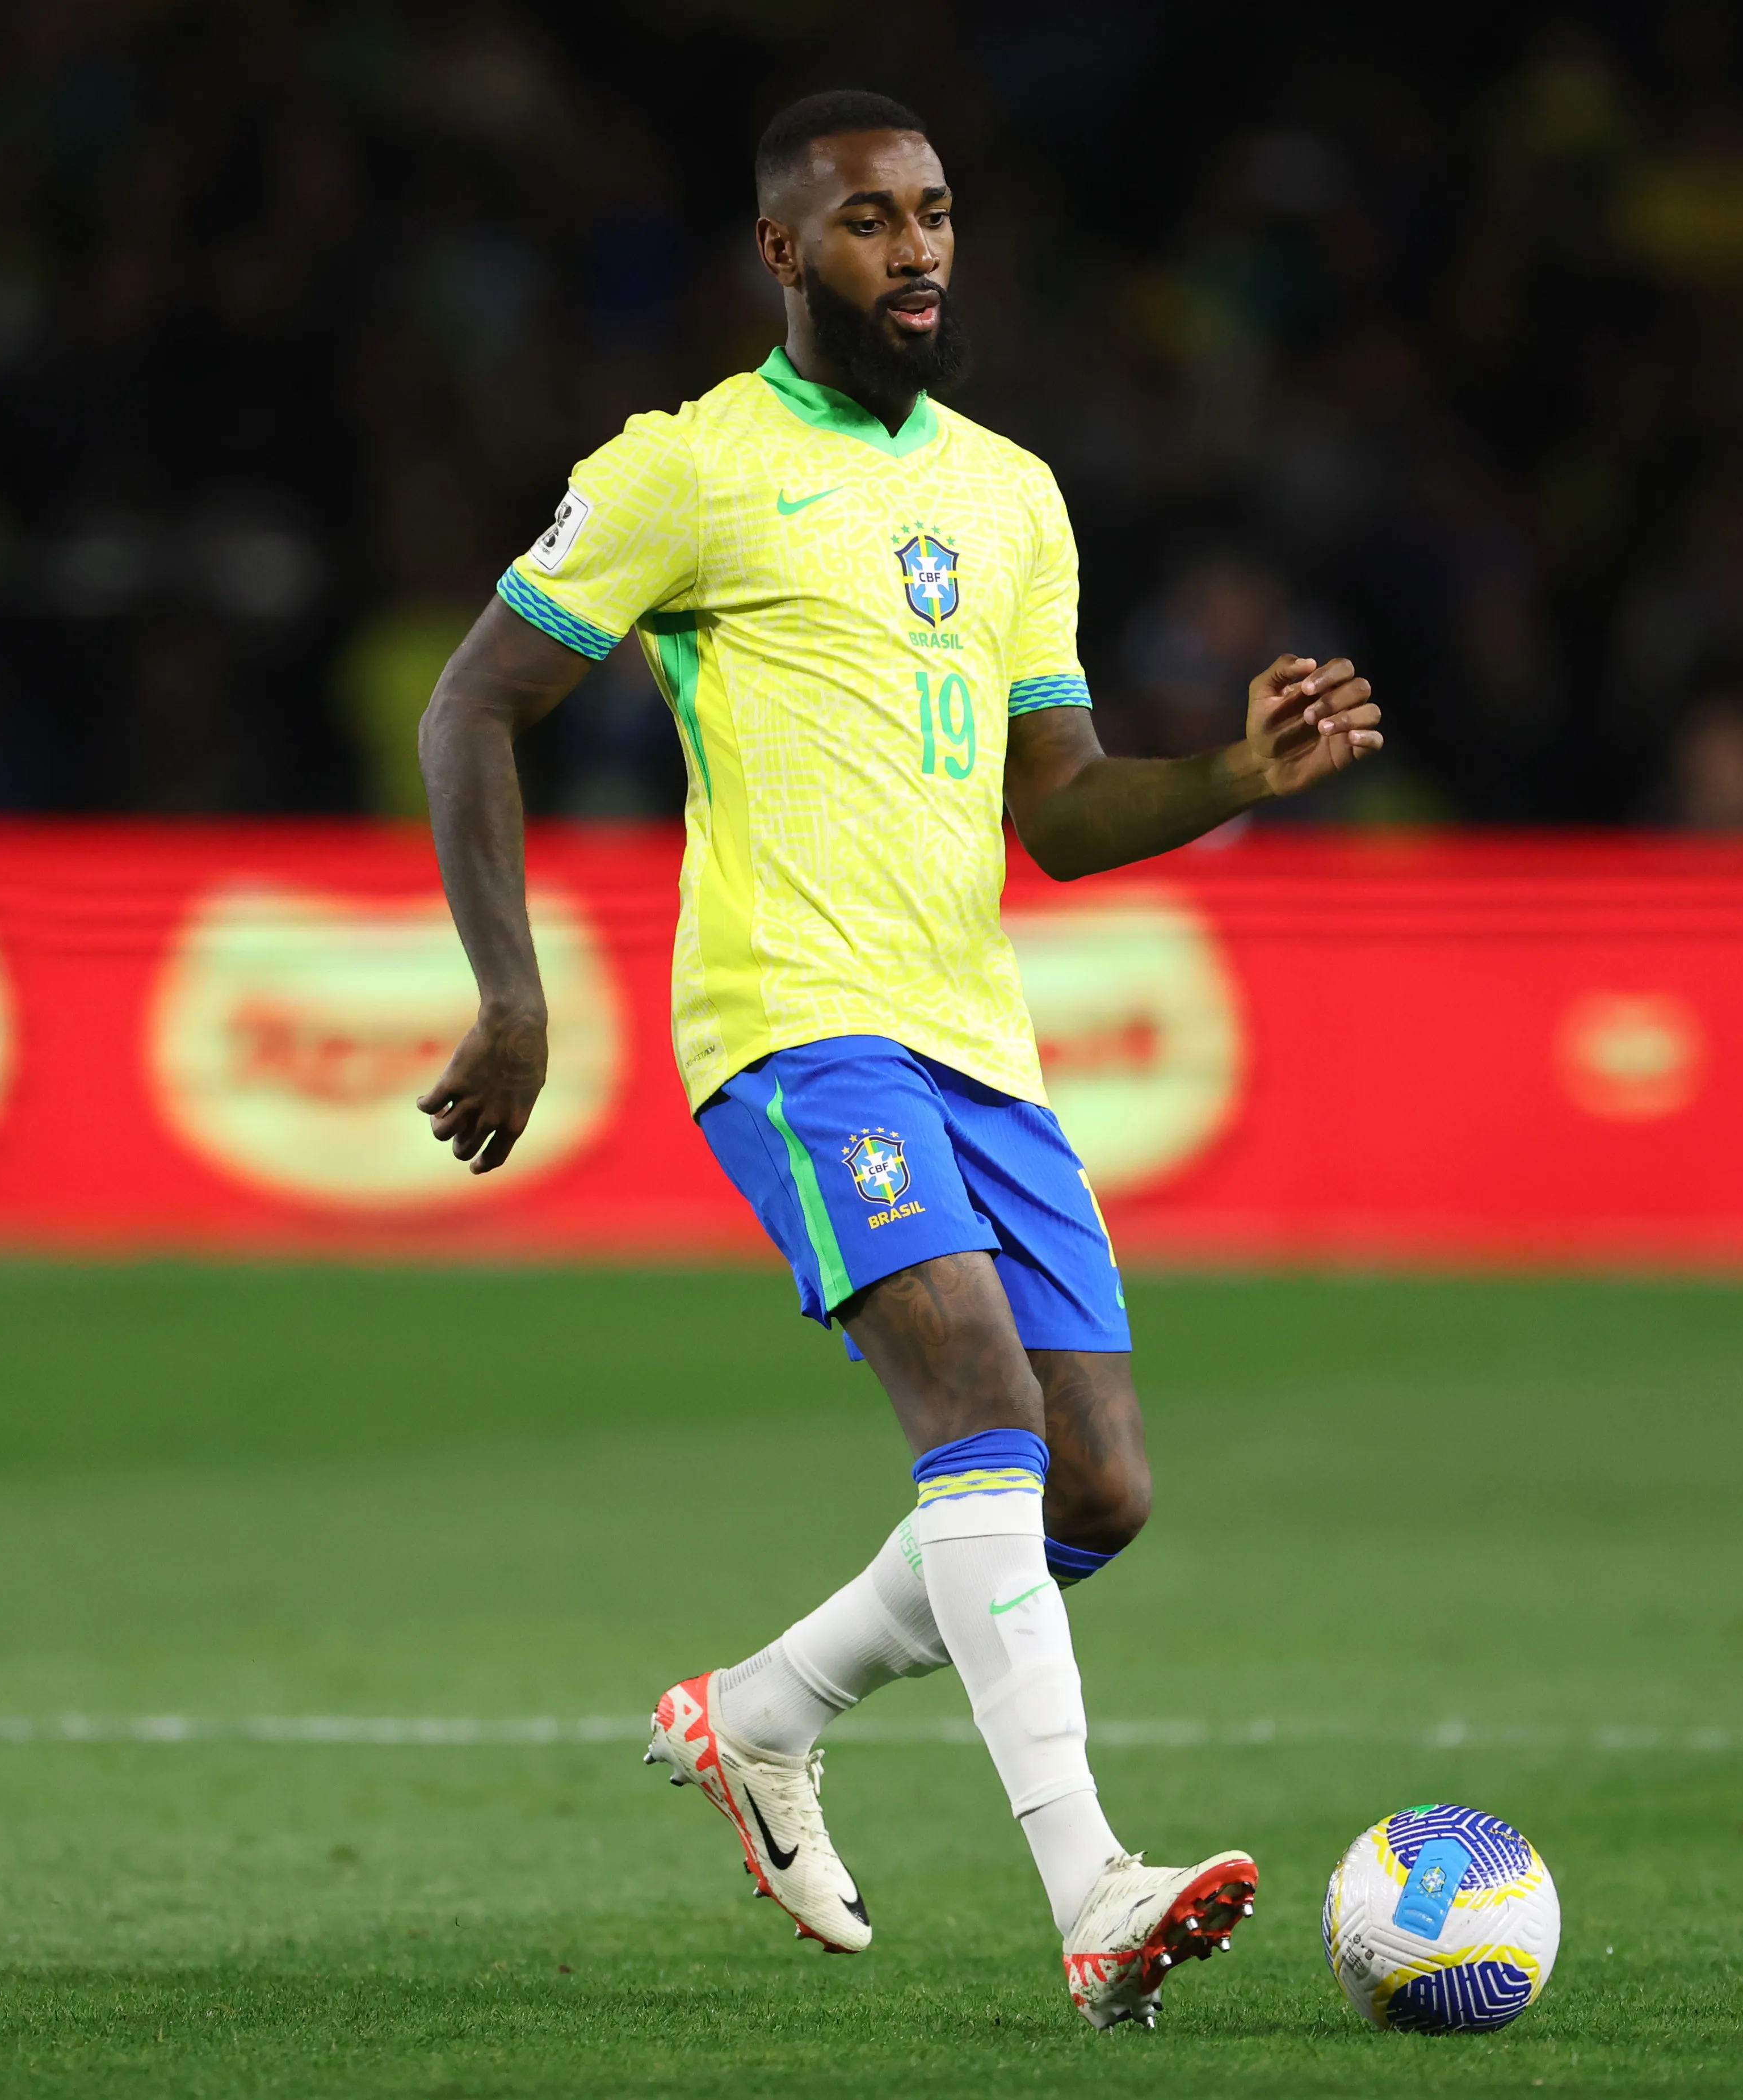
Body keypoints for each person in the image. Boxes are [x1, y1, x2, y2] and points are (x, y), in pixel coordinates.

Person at [411, 90, 1383, 2030]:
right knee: (970, 1393)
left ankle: (758, 1716)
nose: (918, 248)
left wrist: (1231, 779)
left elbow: (1066, 807)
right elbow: (471, 707)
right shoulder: (687, 469)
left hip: (975, 1040)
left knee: (1095, 1486)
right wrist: (515, 994)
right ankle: (1093, 1890)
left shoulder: (1011, 493)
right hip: (791, 1021)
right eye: (869, 221)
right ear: (784, 251)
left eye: (936, 213)